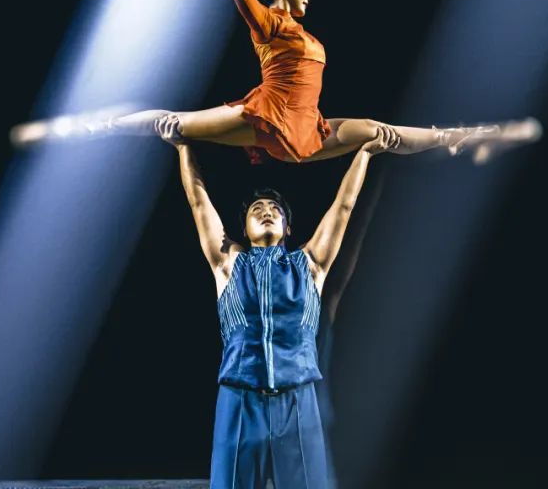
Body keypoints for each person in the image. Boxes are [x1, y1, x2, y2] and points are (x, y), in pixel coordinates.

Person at [10, 0, 541, 164]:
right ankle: (84, 128)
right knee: (172, 125)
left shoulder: (305, 34)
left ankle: (474, 137)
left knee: (383, 134)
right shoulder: (270, 23)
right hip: (267, 119)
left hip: (309, 130)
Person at [157, 113, 396, 488]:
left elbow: (343, 207)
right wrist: (183, 147)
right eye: (257, 211)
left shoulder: (311, 264)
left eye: (274, 210)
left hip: (297, 400)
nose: (266, 212)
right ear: (245, 229)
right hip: (240, 399)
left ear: (287, 227)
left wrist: (364, 154)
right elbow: (199, 204)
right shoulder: (228, 263)